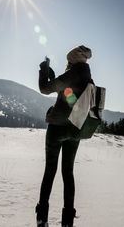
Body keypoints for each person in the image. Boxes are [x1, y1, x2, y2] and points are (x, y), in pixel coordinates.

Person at [35, 45, 93, 227]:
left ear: (73, 61)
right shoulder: (87, 77)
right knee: (68, 173)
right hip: (75, 130)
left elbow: (44, 89)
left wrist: (43, 71)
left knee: (50, 171)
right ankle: (68, 221)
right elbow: (70, 97)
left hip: (58, 128)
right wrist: (55, 77)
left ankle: (41, 219)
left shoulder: (73, 73)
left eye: (69, 61)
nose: (67, 64)